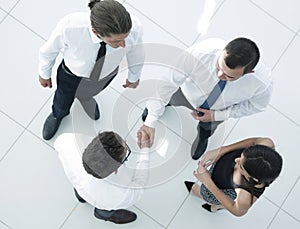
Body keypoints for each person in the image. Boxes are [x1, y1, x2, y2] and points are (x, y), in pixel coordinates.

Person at [139, 37, 272, 160]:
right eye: (219, 67)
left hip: (217, 109)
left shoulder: (262, 83)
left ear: (249, 72)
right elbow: (167, 82)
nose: (220, 75)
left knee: (206, 129)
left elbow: (257, 106)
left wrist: (218, 115)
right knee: (167, 97)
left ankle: (202, 137)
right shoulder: (200, 53)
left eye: (229, 76)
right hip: (186, 93)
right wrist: (150, 122)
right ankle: (156, 109)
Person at [39, 0, 144, 140]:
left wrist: (133, 78)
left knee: (93, 91)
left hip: (105, 75)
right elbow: (48, 51)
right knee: (63, 97)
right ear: (96, 32)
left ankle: (86, 98)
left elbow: (136, 54)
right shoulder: (70, 26)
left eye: (125, 38)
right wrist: (44, 74)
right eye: (116, 41)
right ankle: (59, 114)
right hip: (72, 75)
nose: (123, 44)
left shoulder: (134, 27)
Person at [54, 130, 150, 224]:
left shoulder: (66, 141)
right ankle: (103, 214)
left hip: (78, 184)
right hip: (101, 201)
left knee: (81, 192)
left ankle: (81, 197)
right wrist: (145, 148)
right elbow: (140, 182)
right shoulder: (121, 195)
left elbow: (58, 143)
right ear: (115, 170)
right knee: (105, 208)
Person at [184, 137, 282, 216]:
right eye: (242, 156)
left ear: (253, 178)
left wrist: (207, 182)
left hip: (218, 190)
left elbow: (236, 211)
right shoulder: (266, 143)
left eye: (241, 167)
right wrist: (221, 151)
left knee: (207, 195)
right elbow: (253, 141)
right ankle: (218, 206)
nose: (236, 160)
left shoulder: (245, 197)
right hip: (219, 168)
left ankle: (211, 202)